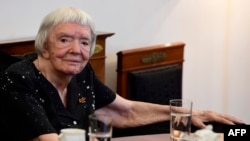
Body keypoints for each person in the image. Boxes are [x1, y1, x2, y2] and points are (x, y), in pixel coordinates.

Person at [0, 7, 244, 141]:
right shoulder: (20, 77)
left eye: (85, 42)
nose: (76, 50)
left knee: (224, 130)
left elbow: (125, 111)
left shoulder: (82, 74)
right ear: (44, 45)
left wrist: (187, 114)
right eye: (65, 40)